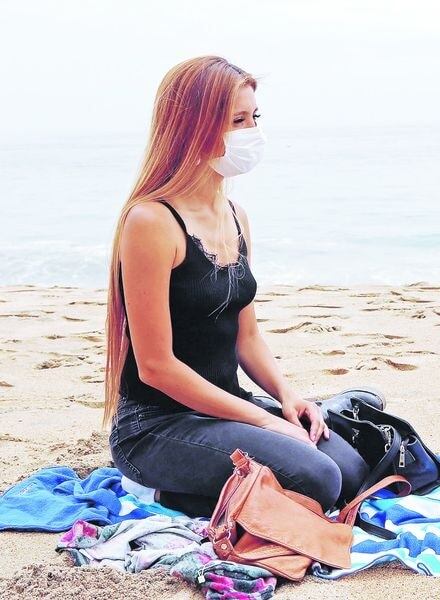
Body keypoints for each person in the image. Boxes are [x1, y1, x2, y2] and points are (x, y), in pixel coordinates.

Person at [103, 56, 368, 517]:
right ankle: (154, 489)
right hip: (158, 425)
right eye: (237, 121)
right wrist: (266, 421)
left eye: (254, 118)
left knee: (348, 468)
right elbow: (156, 368)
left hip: (225, 406)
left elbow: (246, 337)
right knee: (319, 479)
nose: (252, 133)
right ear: (194, 127)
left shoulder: (236, 215)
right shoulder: (151, 221)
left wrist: (287, 398)